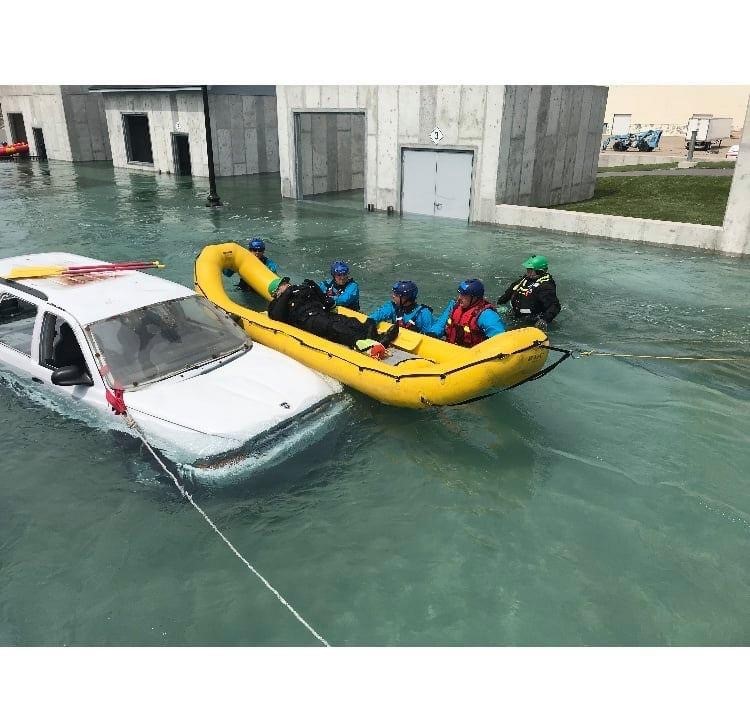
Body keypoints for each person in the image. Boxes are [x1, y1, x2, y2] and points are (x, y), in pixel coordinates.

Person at [267, 277, 398, 350]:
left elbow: (328, 303)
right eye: (283, 284)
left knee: (349, 320)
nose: (288, 284)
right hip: (308, 319)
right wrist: (287, 293)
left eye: (286, 282)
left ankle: (375, 335)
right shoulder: (276, 303)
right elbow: (277, 316)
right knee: (334, 327)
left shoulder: (300, 291)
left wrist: (314, 287)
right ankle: (367, 343)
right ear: (276, 291)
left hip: (322, 312)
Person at [429, 279, 505, 346]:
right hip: (451, 347)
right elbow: (440, 324)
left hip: (471, 354)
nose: (459, 298)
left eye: (464, 295)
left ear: (475, 298)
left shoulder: (487, 314)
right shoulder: (454, 306)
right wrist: (433, 333)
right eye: (460, 294)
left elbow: (499, 339)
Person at [497, 255, 561, 330]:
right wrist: (500, 303)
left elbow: (555, 306)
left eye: (530, 270)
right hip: (516, 314)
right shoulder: (525, 279)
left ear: (540, 271)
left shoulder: (546, 286)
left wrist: (544, 320)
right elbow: (511, 290)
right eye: (527, 269)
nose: (528, 272)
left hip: (532, 320)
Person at [368, 280, 433, 334]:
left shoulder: (424, 313)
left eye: (396, 295)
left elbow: (429, 337)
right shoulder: (392, 306)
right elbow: (375, 316)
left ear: (406, 298)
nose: (393, 296)